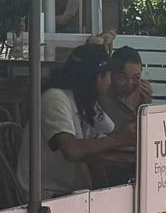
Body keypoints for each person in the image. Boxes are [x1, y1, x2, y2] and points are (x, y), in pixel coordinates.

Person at [16, 43, 133, 198]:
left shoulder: (86, 100)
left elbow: (113, 132)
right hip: (46, 196)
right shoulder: (55, 98)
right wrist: (121, 139)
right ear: (99, 76)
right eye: (109, 75)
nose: (111, 81)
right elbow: (72, 150)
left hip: (73, 192)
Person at [101, 45, 152, 130]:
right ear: (111, 75)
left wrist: (145, 107)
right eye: (123, 77)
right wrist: (130, 106)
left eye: (136, 77)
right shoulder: (103, 98)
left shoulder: (141, 95)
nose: (130, 84)